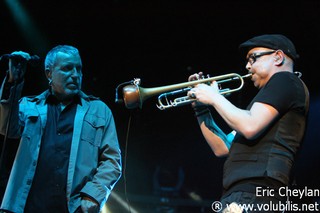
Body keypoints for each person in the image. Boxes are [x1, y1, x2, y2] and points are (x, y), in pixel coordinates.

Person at [187, 34, 309, 212]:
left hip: (255, 194)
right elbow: (222, 148)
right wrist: (201, 109)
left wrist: (214, 97)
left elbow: (249, 126)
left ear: (278, 57)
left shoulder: (285, 80)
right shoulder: (268, 101)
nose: (247, 66)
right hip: (243, 194)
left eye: (254, 58)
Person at [0, 45, 122, 213]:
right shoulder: (28, 106)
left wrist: (93, 195)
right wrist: (14, 82)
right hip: (29, 206)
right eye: (67, 68)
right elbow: (7, 128)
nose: (75, 75)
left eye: (78, 69)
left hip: (73, 208)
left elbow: (112, 161)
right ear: (49, 74)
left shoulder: (99, 111)